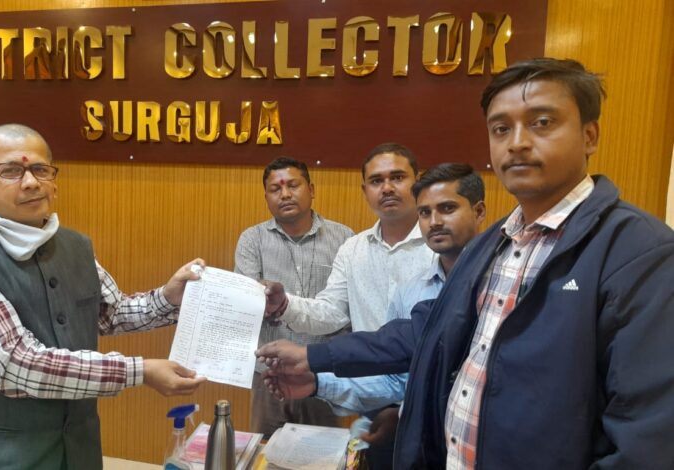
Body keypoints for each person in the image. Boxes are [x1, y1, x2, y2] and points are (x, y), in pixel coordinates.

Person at [259, 58, 674, 469]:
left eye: (542, 122)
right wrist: (314, 359)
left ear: (589, 135)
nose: (517, 142)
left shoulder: (640, 252)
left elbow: (647, 438)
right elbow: (421, 333)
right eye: (501, 128)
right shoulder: (492, 244)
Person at [0, 123, 207, 470]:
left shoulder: (74, 246)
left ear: (54, 180)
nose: (30, 182)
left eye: (41, 169)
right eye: (11, 171)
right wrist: (138, 371)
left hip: (77, 451)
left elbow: (110, 314)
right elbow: (15, 363)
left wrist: (169, 298)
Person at [263, 163, 486, 447]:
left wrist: (310, 355)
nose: (435, 221)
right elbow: (398, 375)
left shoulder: (498, 279)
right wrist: (318, 383)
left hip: (482, 436)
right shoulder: (409, 288)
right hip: (416, 433)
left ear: (479, 211)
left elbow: (400, 342)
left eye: (447, 209)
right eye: (425, 212)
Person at [264, 143, 435, 468]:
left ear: (418, 182)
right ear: (365, 190)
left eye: (397, 177)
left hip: (431, 402)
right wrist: (284, 304)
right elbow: (331, 312)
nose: (387, 188)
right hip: (372, 396)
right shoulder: (353, 249)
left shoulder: (440, 245)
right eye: (376, 181)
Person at [234, 157, 353, 438]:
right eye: (275, 189)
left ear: (311, 189)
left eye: (293, 185)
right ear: (266, 197)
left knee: (323, 453)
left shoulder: (344, 238)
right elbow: (248, 303)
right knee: (266, 452)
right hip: (269, 374)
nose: (285, 194)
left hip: (323, 372)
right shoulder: (252, 240)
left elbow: (347, 306)